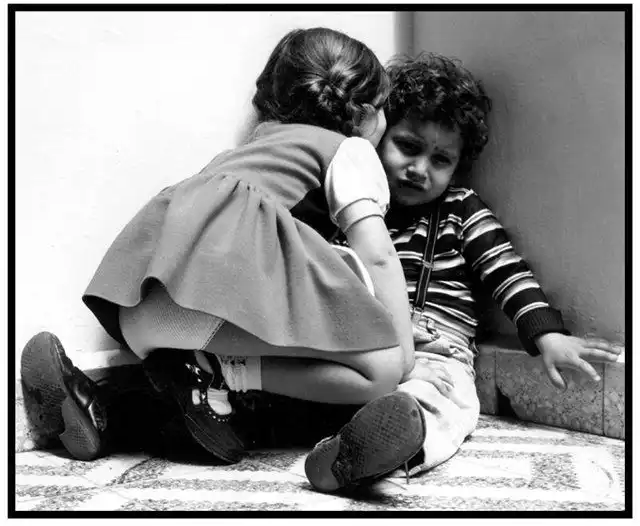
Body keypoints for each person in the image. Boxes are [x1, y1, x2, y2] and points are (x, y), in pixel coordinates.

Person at [23, 27, 427, 469]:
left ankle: (99, 402)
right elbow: (378, 254)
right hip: (207, 313)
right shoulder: (350, 151)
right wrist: (402, 348)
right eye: (384, 109)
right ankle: (219, 371)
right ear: (363, 113)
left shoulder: (251, 150)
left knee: (207, 396)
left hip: (139, 308)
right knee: (380, 371)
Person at [303, 52, 622, 492]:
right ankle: (314, 429)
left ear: (457, 167)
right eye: (408, 147)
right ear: (377, 138)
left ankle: (378, 449)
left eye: (440, 160)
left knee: (445, 401)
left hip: (436, 351)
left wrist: (547, 335)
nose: (420, 169)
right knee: (319, 378)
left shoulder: (460, 210)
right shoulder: (351, 210)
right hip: (361, 344)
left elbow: (507, 271)